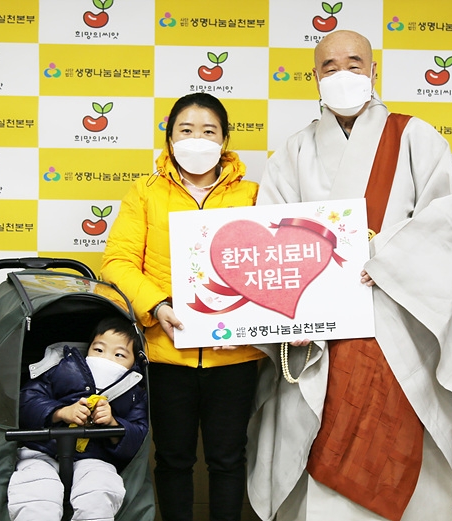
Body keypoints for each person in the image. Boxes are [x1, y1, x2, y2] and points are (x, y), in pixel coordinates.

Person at [246, 30, 452, 521]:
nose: (342, 74)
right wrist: (293, 313)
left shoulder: (415, 137)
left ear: (373, 71)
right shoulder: (294, 151)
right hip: (322, 330)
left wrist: (379, 255)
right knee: (316, 428)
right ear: (314, 77)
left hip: (398, 318)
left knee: (400, 429)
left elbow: (446, 221)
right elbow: (273, 241)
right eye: (329, 67)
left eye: (354, 63)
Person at [100, 92, 265, 521]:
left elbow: (269, 264)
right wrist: (156, 306)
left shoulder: (254, 195)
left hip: (234, 356)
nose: (197, 139)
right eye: (186, 130)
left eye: (209, 131)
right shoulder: (145, 193)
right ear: (170, 138)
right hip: (166, 353)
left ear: (225, 140)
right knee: (172, 459)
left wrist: (252, 321)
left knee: (229, 458)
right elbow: (117, 262)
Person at [7, 316, 148, 521]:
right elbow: (25, 403)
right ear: (88, 349)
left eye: (119, 354)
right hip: (42, 452)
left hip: (96, 458)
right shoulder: (61, 368)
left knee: (99, 493)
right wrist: (60, 412)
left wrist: (113, 424)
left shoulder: (134, 391)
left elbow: (138, 438)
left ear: (134, 361)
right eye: (98, 350)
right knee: (35, 493)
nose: (105, 359)